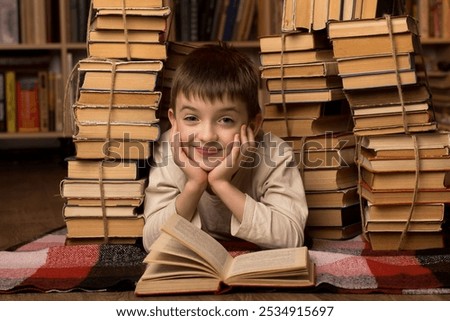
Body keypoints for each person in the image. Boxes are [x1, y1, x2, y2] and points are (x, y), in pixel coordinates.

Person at [142, 43, 308, 251]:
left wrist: (221, 183)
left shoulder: (275, 153)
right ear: (174, 121)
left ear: (253, 125)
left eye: (226, 120)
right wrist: (195, 184)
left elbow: (291, 238)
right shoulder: (168, 151)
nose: (207, 136)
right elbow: (152, 242)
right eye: (192, 118)